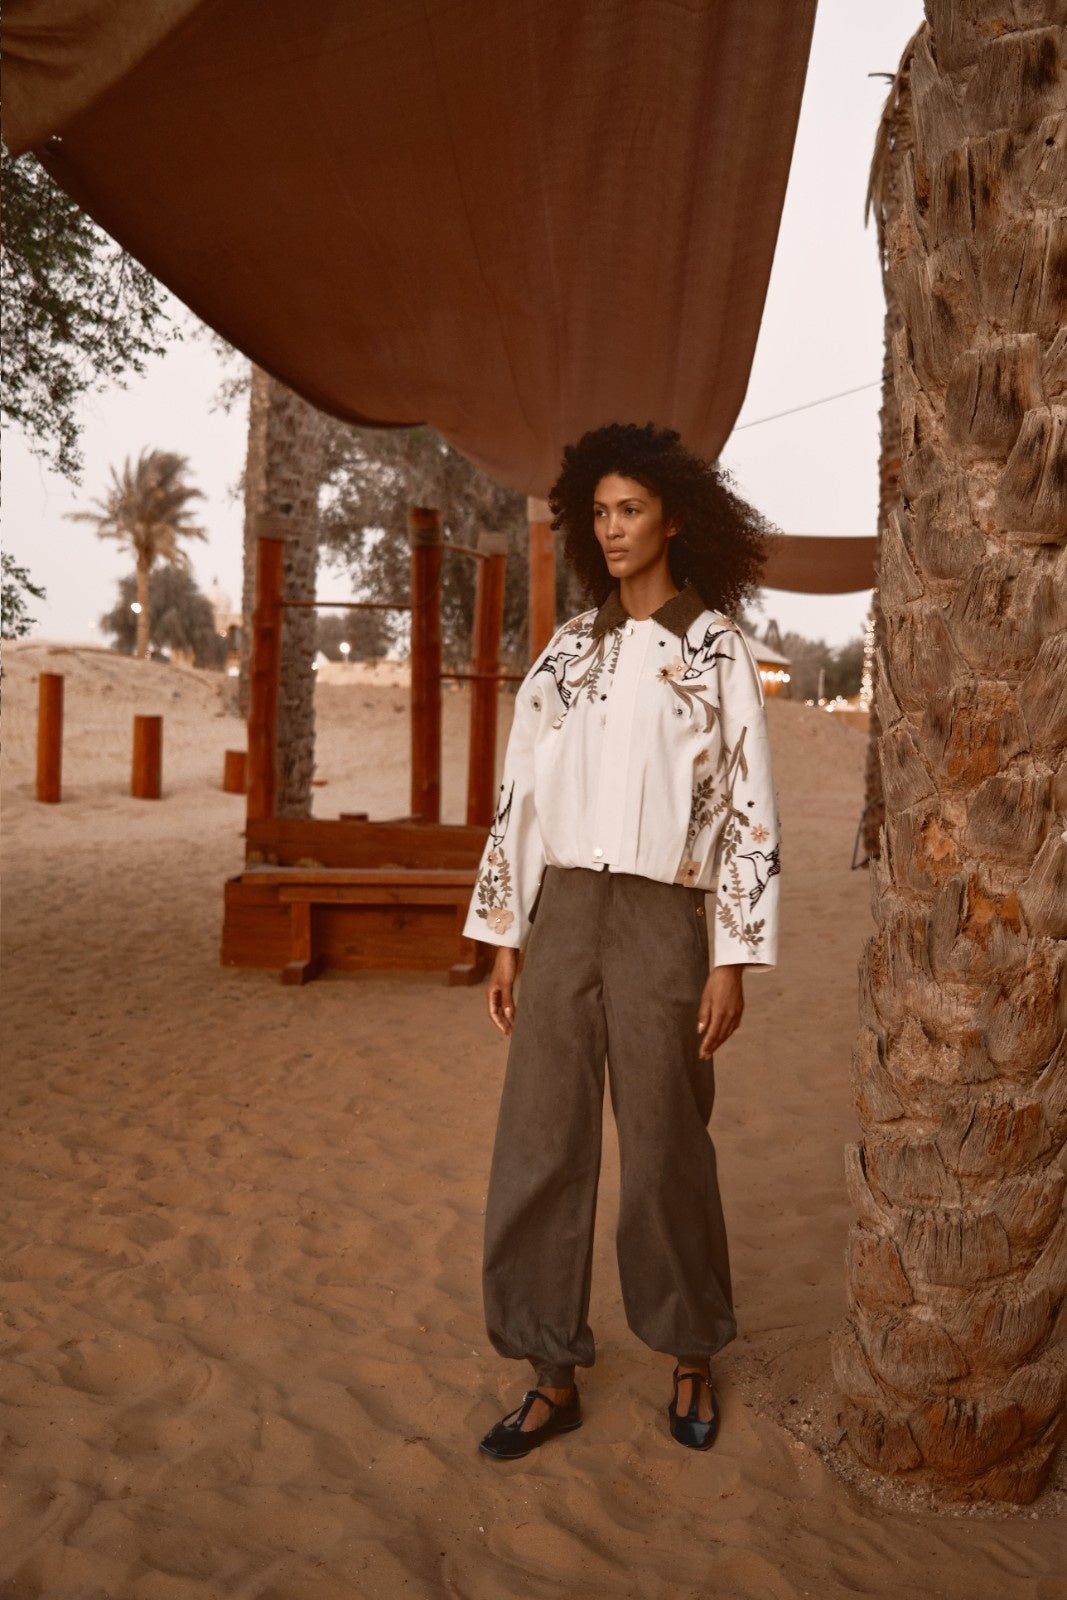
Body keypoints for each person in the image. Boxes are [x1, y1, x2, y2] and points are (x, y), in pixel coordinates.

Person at [464, 421, 780, 1458]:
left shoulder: (715, 649)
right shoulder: (564, 653)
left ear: (672, 518)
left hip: (661, 921)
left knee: (664, 1145)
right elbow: (518, 794)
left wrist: (730, 956)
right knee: (538, 1143)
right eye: (597, 513)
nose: (610, 529)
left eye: (628, 510)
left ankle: (689, 1348)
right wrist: (505, 934)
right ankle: (548, 1369)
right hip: (561, 916)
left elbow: (746, 809)